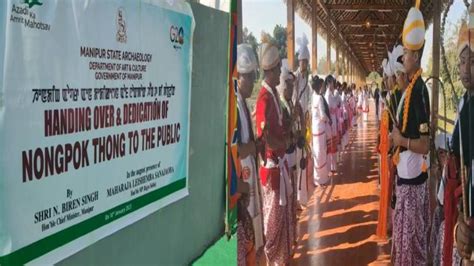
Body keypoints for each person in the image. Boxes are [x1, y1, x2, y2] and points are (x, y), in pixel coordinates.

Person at [390, 2, 431, 264]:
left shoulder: (419, 91)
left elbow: (425, 144)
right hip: (405, 174)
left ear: (415, 56)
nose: (403, 57)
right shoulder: (410, 89)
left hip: (414, 178)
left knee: (413, 244)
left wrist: (400, 140)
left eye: (405, 53)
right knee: (405, 242)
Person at [255, 38, 291, 265]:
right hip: (272, 170)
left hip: (280, 164)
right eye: (278, 68)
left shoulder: (274, 95)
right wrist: (281, 144)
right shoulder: (264, 99)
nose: (280, 71)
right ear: (270, 71)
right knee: (272, 222)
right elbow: (264, 135)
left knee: (280, 219)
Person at [236, 44, 263, 266]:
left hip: (249, 174)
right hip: (241, 179)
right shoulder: (234, 106)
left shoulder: (243, 103)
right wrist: (252, 148)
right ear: (240, 77)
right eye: (250, 77)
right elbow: (234, 148)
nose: (253, 82)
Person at [451, 7, 474, 264]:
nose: (466, 69)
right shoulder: (467, 104)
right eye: (463, 61)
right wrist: (460, 221)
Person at [277, 59, 298, 255]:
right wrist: (294, 123)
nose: (291, 90)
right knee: (288, 199)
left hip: (292, 154)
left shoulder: (289, 103)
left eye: (292, 86)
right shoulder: (282, 106)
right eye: (289, 86)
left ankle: (292, 236)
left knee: (292, 198)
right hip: (285, 157)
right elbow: (284, 132)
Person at [293, 33, 311, 207]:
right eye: (302, 61)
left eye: (306, 61)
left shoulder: (307, 80)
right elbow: (294, 102)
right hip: (297, 124)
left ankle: (302, 196)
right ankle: (297, 198)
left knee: (303, 160)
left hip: (304, 122)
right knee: (297, 160)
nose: (304, 64)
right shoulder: (296, 78)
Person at [311, 76, 330, 186]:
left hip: (315, 129)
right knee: (321, 153)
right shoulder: (319, 98)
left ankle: (317, 177)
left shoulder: (313, 97)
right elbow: (323, 116)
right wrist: (328, 119)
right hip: (321, 129)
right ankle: (322, 178)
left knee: (317, 154)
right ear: (319, 86)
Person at [325, 75, 338, 173]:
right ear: (329, 84)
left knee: (333, 143)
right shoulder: (328, 95)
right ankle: (331, 166)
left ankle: (333, 165)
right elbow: (332, 107)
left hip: (333, 119)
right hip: (331, 121)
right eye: (332, 83)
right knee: (331, 144)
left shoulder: (331, 94)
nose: (333, 84)